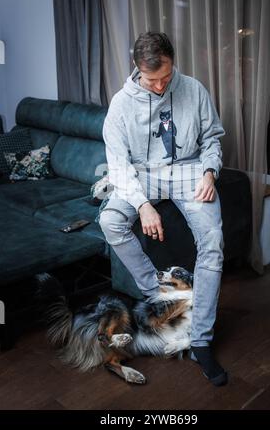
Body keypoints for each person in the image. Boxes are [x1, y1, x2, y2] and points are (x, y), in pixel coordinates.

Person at [99, 32, 227, 386]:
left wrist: (210, 171)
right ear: (137, 69)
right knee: (111, 221)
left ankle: (201, 339)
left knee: (213, 241)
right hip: (142, 175)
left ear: (174, 62)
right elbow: (118, 164)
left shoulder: (194, 89)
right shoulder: (121, 104)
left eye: (165, 78)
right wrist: (142, 204)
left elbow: (212, 137)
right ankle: (155, 292)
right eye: (151, 79)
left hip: (189, 170)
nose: (159, 86)